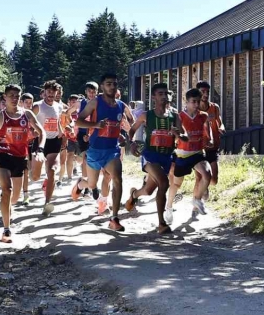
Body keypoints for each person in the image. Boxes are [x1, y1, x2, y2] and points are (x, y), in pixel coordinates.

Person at [0, 84, 46, 243]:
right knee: (6, 190)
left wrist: (41, 149)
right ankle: (6, 229)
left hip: (20, 157)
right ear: (5, 97)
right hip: (3, 155)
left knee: (14, 198)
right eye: (11, 96)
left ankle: (4, 202)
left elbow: (41, 131)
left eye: (17, 96)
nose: (14, 99)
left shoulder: (27, 115)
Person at [71, 73, 134, 231]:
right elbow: (78, 121)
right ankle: (80, 184)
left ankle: (114, 218)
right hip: (95, 150)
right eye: (108, 84)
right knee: (92, 184)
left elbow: (130, 122)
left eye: (114, 84)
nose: (112, 87)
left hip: (112, 151)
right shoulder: (95, 102)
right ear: (103, 86)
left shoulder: (121, 105)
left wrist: (129, 137)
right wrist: (96, 124)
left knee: (118, 178)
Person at [126, 84, 184, 234]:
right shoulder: (146, 115)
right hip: (150, 155)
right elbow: (131, 130)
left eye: (166, 93)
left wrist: (178, 134)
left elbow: (185, 138)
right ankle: (161, 223)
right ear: (153, 97)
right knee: (164, 183)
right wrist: (131, 144)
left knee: (149, 190)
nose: (164, 96)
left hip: (167, 156)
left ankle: (134, 195)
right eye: (160, 94)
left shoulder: (175, 116)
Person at [165, 88, 214, 224]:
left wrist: (209, 140)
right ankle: (168, 207)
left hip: (198, 153)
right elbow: (174, 138)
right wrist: (175, 137)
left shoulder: (203, 116)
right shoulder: (179, 116)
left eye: (198, 101)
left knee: (207, 174)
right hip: (182, 154)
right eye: (193, 102)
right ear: (186, 102)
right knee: (176, 184)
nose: (196, 104)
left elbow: (208, 133)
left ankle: (197, 200)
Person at [32, 80, 66, 216]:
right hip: (40, 142)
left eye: (54, 92)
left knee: (52, 171)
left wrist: (62, 133)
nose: (51, 94)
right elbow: (29, 120)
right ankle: (43, 182)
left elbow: (57, 120)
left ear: (57, 93)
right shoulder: (37, 106)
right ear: (44, 92)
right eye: (49, 91)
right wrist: (33, 131)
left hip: (53, 141)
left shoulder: (59, 106)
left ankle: (47, 203)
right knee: (35, 176)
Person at [197, 81, 226, 190]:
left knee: (214, 180)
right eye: (202, 92)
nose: (205, 94)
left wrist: (221, 127)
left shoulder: (214, 107)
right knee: (201, 177)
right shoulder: (195, 109)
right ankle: (198, 201)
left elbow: (220, 122)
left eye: (207, 92)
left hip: (213, 147)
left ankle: (204, 189)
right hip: (199, 148)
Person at [20, 92, 36, 205]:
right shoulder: (18, 114)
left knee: (30, 172)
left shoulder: (33, 114)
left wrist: (36, 133)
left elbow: (40, 129)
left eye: (31, 102)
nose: (29, 105)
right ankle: (25, 194)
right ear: (22, 103)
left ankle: (25, 194)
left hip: (32, 144)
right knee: (24, 171)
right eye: (27, 102)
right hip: (18, 146)